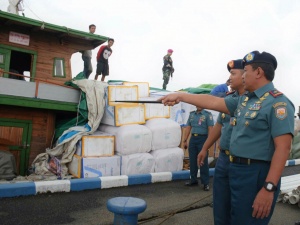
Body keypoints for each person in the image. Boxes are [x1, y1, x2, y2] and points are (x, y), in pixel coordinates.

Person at [160, 51, 295, 225]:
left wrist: (269, 188)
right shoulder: (244, 101)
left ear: (259, 72)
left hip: (255, 174)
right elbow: (213, 102)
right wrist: (180, 95)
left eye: (245, 71)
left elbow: (283, 149)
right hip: (234, 168)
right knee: (224, 218)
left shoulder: (278, 104)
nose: (243, 75)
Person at [198, 59, 245, 225]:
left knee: (239, 208)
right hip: (224, 159)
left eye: (233, 73)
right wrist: (205, 148)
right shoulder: (230, 98)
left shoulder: (253, 101)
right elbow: (219, 125)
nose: (230, 78)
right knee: (220, 205)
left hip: (243, 162)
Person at [183, 106, 214, 190]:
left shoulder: (207, 115)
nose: (198, 106)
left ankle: (205, 183)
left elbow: (210, 129)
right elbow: (188, 127)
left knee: (202, 161)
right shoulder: (192, 115)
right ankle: (193, 180)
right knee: (192, 160)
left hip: (203, 139)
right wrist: (185, 140)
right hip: (193, 139)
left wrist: (209, 142)